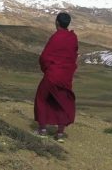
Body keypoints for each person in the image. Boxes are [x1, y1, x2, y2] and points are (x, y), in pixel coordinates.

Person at [33, 12, 78, 142]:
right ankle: (60, 133)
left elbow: (45, 57)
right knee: (62, 101)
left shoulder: (56, 37)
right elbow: (73, 56)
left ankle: (42, 129)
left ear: (57, 22)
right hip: (66, 76)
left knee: (41, 98)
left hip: (52, 75)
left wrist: (46, 69)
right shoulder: (72, 38)